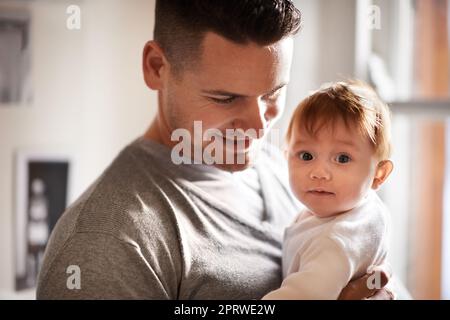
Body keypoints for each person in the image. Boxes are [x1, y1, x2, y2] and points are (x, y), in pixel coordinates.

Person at [36, 0, 392, 299]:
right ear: (156, 68)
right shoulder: (107, 242)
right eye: (226, 98)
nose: (258, 127)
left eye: (272, 94)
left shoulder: (290, 173)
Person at [262, 81, 394, 299]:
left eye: (342, 158)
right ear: (286, 157)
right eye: (306, 156)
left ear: (378, 174)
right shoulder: (365, 209)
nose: (319, 172)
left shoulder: (334, 242)